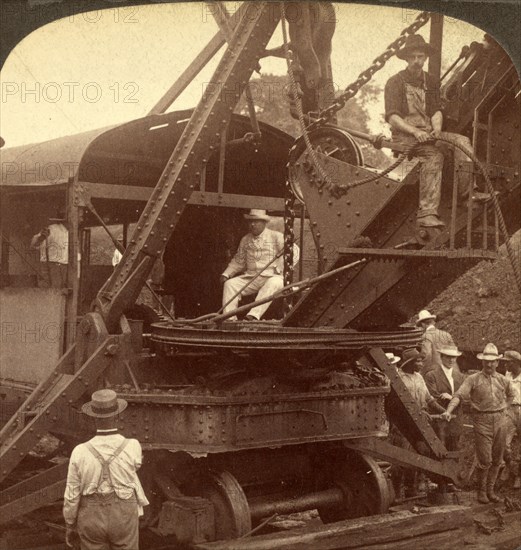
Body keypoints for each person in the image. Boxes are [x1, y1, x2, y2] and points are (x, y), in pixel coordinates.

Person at [384, 34, 475, 228]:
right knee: (434, 156)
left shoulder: (431, 82)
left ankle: (468, 195)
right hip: (404, 137)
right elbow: (393, 117)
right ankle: (426, 213)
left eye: (420, 57)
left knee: (462, 141)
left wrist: (437, 130)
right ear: (407, 58)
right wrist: (415, 132)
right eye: (413, 57)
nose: (417, 61)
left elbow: (435, 110)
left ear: (425, 57)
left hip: (428, 133)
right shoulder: (395, 82)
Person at [64, 389, 149, 549]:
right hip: (123, 514)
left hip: (91, 516)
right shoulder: (133, 446)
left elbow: (71, 493)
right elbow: (136, 465)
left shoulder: (79, 451)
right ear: (117, 416)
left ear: (93, 418)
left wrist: (70, 523)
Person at [443, 343, 515, 503]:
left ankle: (490, 491)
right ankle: (481, 492)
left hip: (500, 421)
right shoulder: (473, 379)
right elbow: (459, 396)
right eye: (486, 361)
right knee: (485, 459)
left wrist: (504, 408)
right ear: (482, 362)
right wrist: (449, 410)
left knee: (497, 459)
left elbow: (512, 395)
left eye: (492, 361)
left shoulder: (503, 380)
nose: (489, 364)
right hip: (482, 421)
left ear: (497, 362)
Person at [220, 209, 299, 321]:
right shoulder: (245, 239)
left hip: (272, 276)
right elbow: (239, 261)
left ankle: (253, 316)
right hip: (251, 277)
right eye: (250, 221)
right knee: (230, 284)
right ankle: (229, 318)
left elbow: (294, 252)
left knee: (274, 282)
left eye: (256, 222)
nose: (252, 224)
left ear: (264, 223)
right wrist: (226, 274)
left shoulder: (276, 236)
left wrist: (279, 267)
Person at [425, 345, 465, 452]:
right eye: (448, 357)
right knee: (438, 450)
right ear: (441, 357)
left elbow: (465, 397)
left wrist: (451, 397)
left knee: (454, 450)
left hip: (455, 420)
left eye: (454, 357)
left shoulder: (459, 376)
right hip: (439, 420)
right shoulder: (432, 375)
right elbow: (432, 396)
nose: (451, 360)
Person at [30, 209, 69, 288]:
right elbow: (34, 245)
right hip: (52, 266)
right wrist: (42, 237)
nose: (81, 219)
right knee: (52, 292)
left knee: (60, 292)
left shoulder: (71, 232)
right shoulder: (52, 229)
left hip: (64, 267)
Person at [416, 309, 455, 375]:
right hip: (450, 371)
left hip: (435, 372)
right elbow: (454, 352)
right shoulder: (446, 334)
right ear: (432, 322)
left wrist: (422, 372)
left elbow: (427, 355)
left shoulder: (426, 336)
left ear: (423, 324)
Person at [503, 350, 521, 489]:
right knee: (504, 443)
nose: (505, 365)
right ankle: (510, 468)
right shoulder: (507, 375)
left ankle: (518, 476)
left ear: (515, 363)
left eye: (507, 362)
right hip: (509, 410)